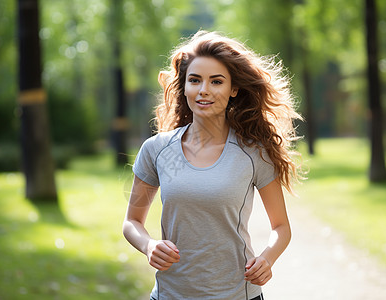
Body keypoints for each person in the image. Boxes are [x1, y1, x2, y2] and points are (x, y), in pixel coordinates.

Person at [123, 30, 303, 300]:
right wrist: (149, 245)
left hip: (237, 294)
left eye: (216, 81)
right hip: (170, 295)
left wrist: (268, 258)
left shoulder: (252, 153)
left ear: (233, 90)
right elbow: (132, 221)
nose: (204, 90)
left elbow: (281, 228)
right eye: (195, 80)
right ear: (184, 87)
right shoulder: (160, 151)